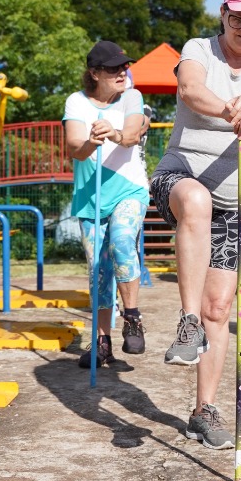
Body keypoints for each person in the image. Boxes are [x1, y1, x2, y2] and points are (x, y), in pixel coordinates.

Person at [150, 0, 241, 449]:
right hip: (180, 176)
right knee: (197, 201)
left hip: (235, 200)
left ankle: (203, 410)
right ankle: (186, 322)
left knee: (220, 308)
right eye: (240, 18)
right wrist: (235, 110)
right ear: (224, 14)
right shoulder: (198, 49)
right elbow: (190, 90)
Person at [64, 40, 150, 368]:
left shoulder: (131, 97)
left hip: (129, 189)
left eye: (124, 66)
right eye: (113, 68)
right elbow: (75, 148)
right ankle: (102, 342)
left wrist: (113, 133)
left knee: (123, 241)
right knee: (98, 269)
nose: (122, 72)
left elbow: (131, 135)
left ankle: (132, 318)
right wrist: (90, 141)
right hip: (91, 196)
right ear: (95, 73)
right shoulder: (76, 101)